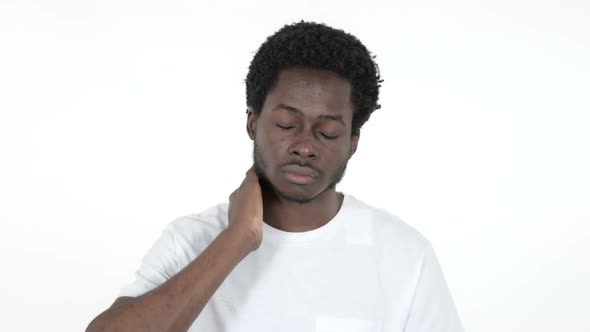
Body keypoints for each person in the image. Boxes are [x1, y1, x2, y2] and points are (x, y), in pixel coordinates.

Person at [86, 21, 464, 332]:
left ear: (352, 141)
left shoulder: (403, 254)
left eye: (327, 132)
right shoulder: (193, 239)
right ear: (252, 122)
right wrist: (237, 239)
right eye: (287, 124)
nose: (304, 146)